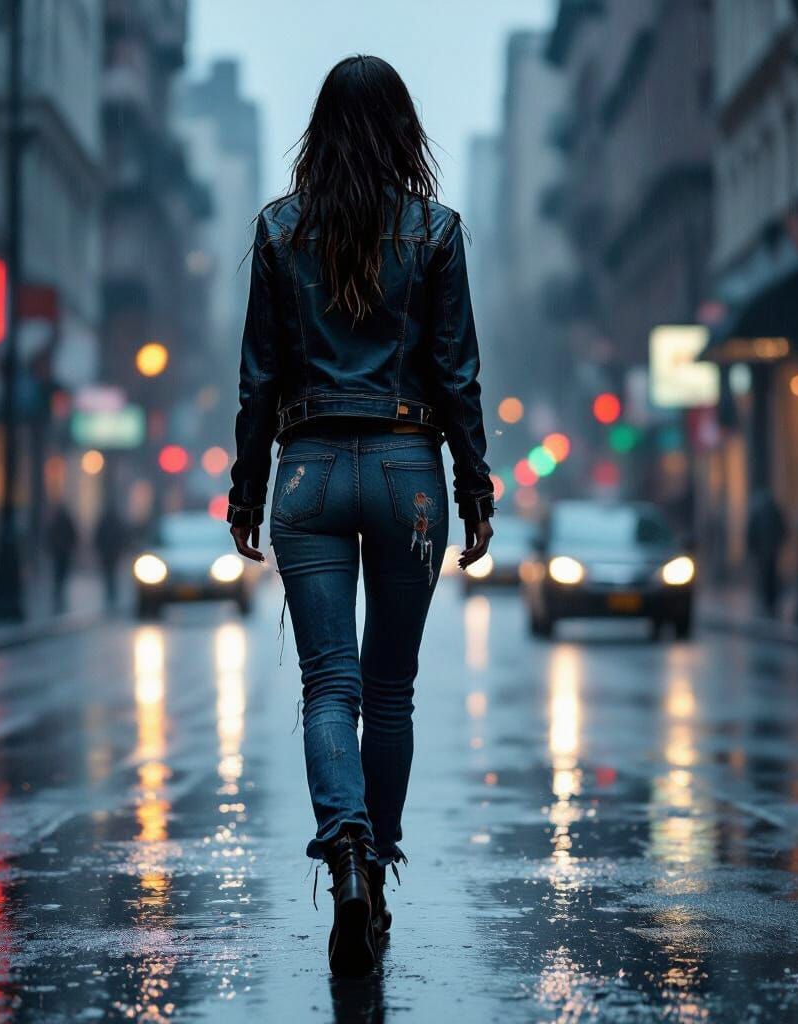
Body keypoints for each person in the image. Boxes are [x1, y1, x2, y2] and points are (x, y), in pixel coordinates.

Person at [227, 56, 494, 975]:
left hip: (305, 468)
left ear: (321, 130)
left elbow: (259, 376)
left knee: (328, 687)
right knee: (389, 690)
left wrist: (244, 491)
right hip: (405, 469)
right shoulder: (436, 231)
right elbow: (456, 374)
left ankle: (342, 848)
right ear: (405, 129)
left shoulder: (277, 230)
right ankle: (375, 863)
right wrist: (476, 491)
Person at [746, 487, 787, 615]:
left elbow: (751, 532)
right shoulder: (769, 511)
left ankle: (770, 598)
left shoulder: (762, 513)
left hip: (767, 549)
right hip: (767, 549)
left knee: (768, 574)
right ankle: (768, 598)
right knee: (768, 574)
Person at [94, 502, 128, 611]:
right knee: (111, 573)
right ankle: (112, 593)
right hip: (112, 553)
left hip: (107, 552)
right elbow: (121, 537)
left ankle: (110, 593)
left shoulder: (104, 522)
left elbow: (98, 536)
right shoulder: (115, 522)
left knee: (108, 573)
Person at [46, 502, 78, 613]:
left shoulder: (58, 521)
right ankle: (58, 594)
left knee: (60, 574)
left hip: (62, 552)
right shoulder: (59, 521)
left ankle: (59, 593)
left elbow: (72, 535)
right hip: (61, 552)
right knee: (60, 574)